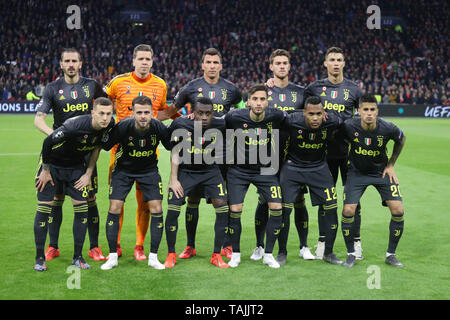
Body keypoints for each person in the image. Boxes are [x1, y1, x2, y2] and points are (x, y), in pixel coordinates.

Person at [168, 48, 245, 260]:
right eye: (208, 62)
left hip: (222, 154)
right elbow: (173, 110)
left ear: (221, 65)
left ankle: (227, 245)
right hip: (194, 154)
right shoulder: (190, 87)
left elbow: (242, 110)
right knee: (192, 199)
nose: (212, 66)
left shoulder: (231, 89)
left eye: (215, 62)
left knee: (223, 201)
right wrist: (184, 119)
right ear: (202, 65)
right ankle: (190, 246)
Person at [34, 48, 108, 262]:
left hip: (85, 154)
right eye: (67, 61)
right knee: (56, 198)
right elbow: (39, 120)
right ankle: (53, 246)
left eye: (74, 61)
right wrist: (57, 136)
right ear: (61, 64)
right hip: (59, 153)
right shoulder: (52, 88)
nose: (71, 64)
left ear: (81, 63)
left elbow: (105, 108)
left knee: (90, 198)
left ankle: (94, 247)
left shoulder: (92, 85)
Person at [105, 44, 176, 260]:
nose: (144, 62)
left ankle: (139, 245)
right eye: (141, 59)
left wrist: (184, 119)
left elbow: (162, 112)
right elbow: (103, 104)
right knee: (117, 200)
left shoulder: (160, 84)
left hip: (147, 152)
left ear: (152, 61)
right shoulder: (117, 82)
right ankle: (115, 245)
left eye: (148, 59)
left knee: (145, 202)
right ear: (133, 60)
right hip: (120, 152)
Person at [33, 97, 114, 271]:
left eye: (108, 114)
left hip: (76, 167)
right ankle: (39, 258)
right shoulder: (74, 126)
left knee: (82, 209)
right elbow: (48, 143)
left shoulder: (109, 125)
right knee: (44, 208)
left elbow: (96, 149)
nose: (105, 118)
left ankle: (78, 257)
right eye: (101, 113)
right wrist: (45, 171)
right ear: (93, 113)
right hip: (52, 166)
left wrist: (88, 173)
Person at [252, 49, 314, 263]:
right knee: (264, 199)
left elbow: (311, 116)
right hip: (267, 153)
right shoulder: (263, 92)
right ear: (271, 66)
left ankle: (304, 246)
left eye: (285, 63)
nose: (281, 66)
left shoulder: (301, 92)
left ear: (289, 66)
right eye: (277, 63)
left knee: (298, 199)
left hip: (296, 154)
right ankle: (260, 246)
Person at [302, 47, 363, 259]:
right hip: (323, 153)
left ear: (344, 63)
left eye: (339, 60)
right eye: (332, 60)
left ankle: (355, 242)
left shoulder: (354, 90)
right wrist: (271, 84)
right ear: (325, 64)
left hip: (349, 152)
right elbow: (297, 107)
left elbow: (365, 117)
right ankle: (323, 241)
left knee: (352, 199)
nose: (336, 63)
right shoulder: (313, 88)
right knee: (324, 199)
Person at [100, 95, 172, 270]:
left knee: (157, 208)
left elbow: (171, 146)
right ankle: (112, 256)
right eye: (139, 112)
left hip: (149, 171)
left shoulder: (158, 127)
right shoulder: (123, 126)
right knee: (115, 207)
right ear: (132, 112)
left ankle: (153, 257)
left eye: (146, 112)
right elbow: (106, 145)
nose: (143, 116)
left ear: (152, 113)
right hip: (123, 171)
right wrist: (106, 125)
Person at [340, 94, 406, 268]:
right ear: (359, 111)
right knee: (348, 210)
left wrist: (391, 164)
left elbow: (401, 139)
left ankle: (391, 255)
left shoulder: (388, 128)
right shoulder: (348, 125)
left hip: (380, 173)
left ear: (377, 111)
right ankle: (351, 254)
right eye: (365, 110)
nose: (369, 113)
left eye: (372, 110)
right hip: (356, 173)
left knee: (398, 210)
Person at [164, 97, 230, 269]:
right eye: (200, 113)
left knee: (222, 207)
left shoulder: (221, 124)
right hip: (187, 171)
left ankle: (216, 254)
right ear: (192, 112)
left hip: (210, 171)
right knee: (173, 206)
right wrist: (173, 179)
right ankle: (176, 251)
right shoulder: (181, 124)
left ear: (213, 113)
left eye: (208, 113)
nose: (204, 117)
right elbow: (173, 150)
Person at [225, 84, 286, 269]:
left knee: (277, 207)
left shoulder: (276, 116)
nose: (259, 103)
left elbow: (297, 117)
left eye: (262, 99)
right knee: (235, 209)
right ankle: (235, 254)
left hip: (266, 170)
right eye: (255, 99)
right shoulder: (234, 116)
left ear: (267, 101)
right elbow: (216, 122)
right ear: (248, 101)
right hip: (239, 171)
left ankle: (268, 254)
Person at [278, 96, 343, 266]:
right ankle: (282, 253)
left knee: (331, 206)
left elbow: (343, 121)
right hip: (293, 167)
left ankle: (328, 252)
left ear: (324, 113)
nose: (315, 118)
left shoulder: (332, 121)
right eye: (311, 114)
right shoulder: (292, 120)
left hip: (319, 168)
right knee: (284, 210)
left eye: (319, 114)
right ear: (303, 112)